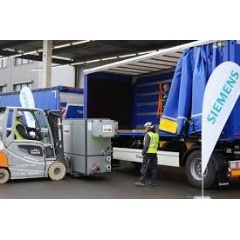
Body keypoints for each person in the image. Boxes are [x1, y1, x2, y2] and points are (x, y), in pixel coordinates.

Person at [135, 122, 159, 187]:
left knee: (144, 167)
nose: (145, 129)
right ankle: (154, 182)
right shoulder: (156, 135)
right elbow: (157, 145)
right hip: (154, 153)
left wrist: (143, 152)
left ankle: (142, 182)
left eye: (146, 127)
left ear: (148, 127)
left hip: (148, 153)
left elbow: (146, 145)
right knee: (154, 168)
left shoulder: (148, 134)